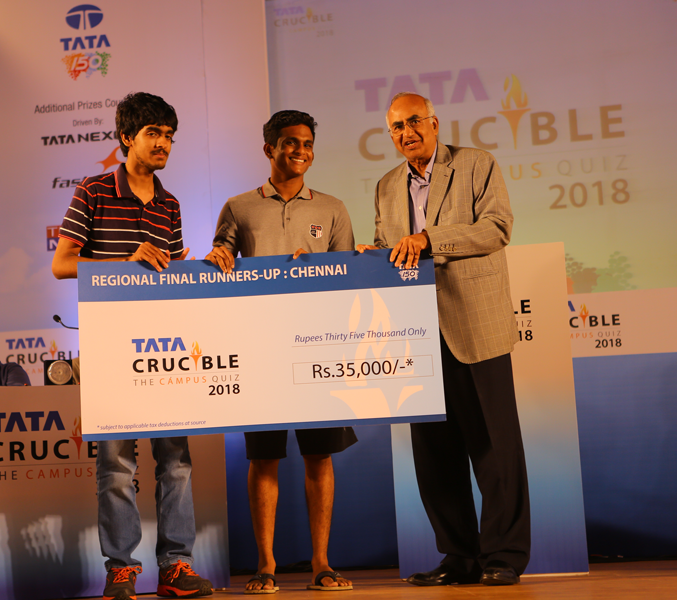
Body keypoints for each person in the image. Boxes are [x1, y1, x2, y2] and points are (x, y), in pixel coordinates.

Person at [357, 92, 530, 586]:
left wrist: (430, 239)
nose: (406, 132)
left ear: (434, 123)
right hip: (415, 333)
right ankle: (459, 557)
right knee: (434, 453)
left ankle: (503, 556)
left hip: (475, 323)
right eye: (396, 127)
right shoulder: (387, 185)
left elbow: (496, 228)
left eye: (414, 122)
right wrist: (374, 255)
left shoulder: (476, 164)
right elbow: (392, 246)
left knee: (494, 447)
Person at [52, 92, 209, 600]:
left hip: (166, 346)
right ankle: (121, 569)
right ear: (126, 137)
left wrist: (200, 269)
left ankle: (176, 567)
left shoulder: (170, 203)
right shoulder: (94, 190)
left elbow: (174, 273)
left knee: (176, 461)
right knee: (116, 465)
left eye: (169, 136)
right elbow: (61, 264)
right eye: (153, 134)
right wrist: (124, 262)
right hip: (111, 343)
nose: (163, 143)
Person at [206, 110, 357, 594]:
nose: (301, 151)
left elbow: (350, 280)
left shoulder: (333, 209)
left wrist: (322, 268)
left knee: (319, 456)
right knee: (264, 458)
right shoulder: (238, 207)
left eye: (307, 143)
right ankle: (265, 565)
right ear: (269, 148)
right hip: (260, 350)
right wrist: (218, 256)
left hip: (318, 347)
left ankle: (322, 563)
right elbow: (219, 262)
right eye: (290, 142)